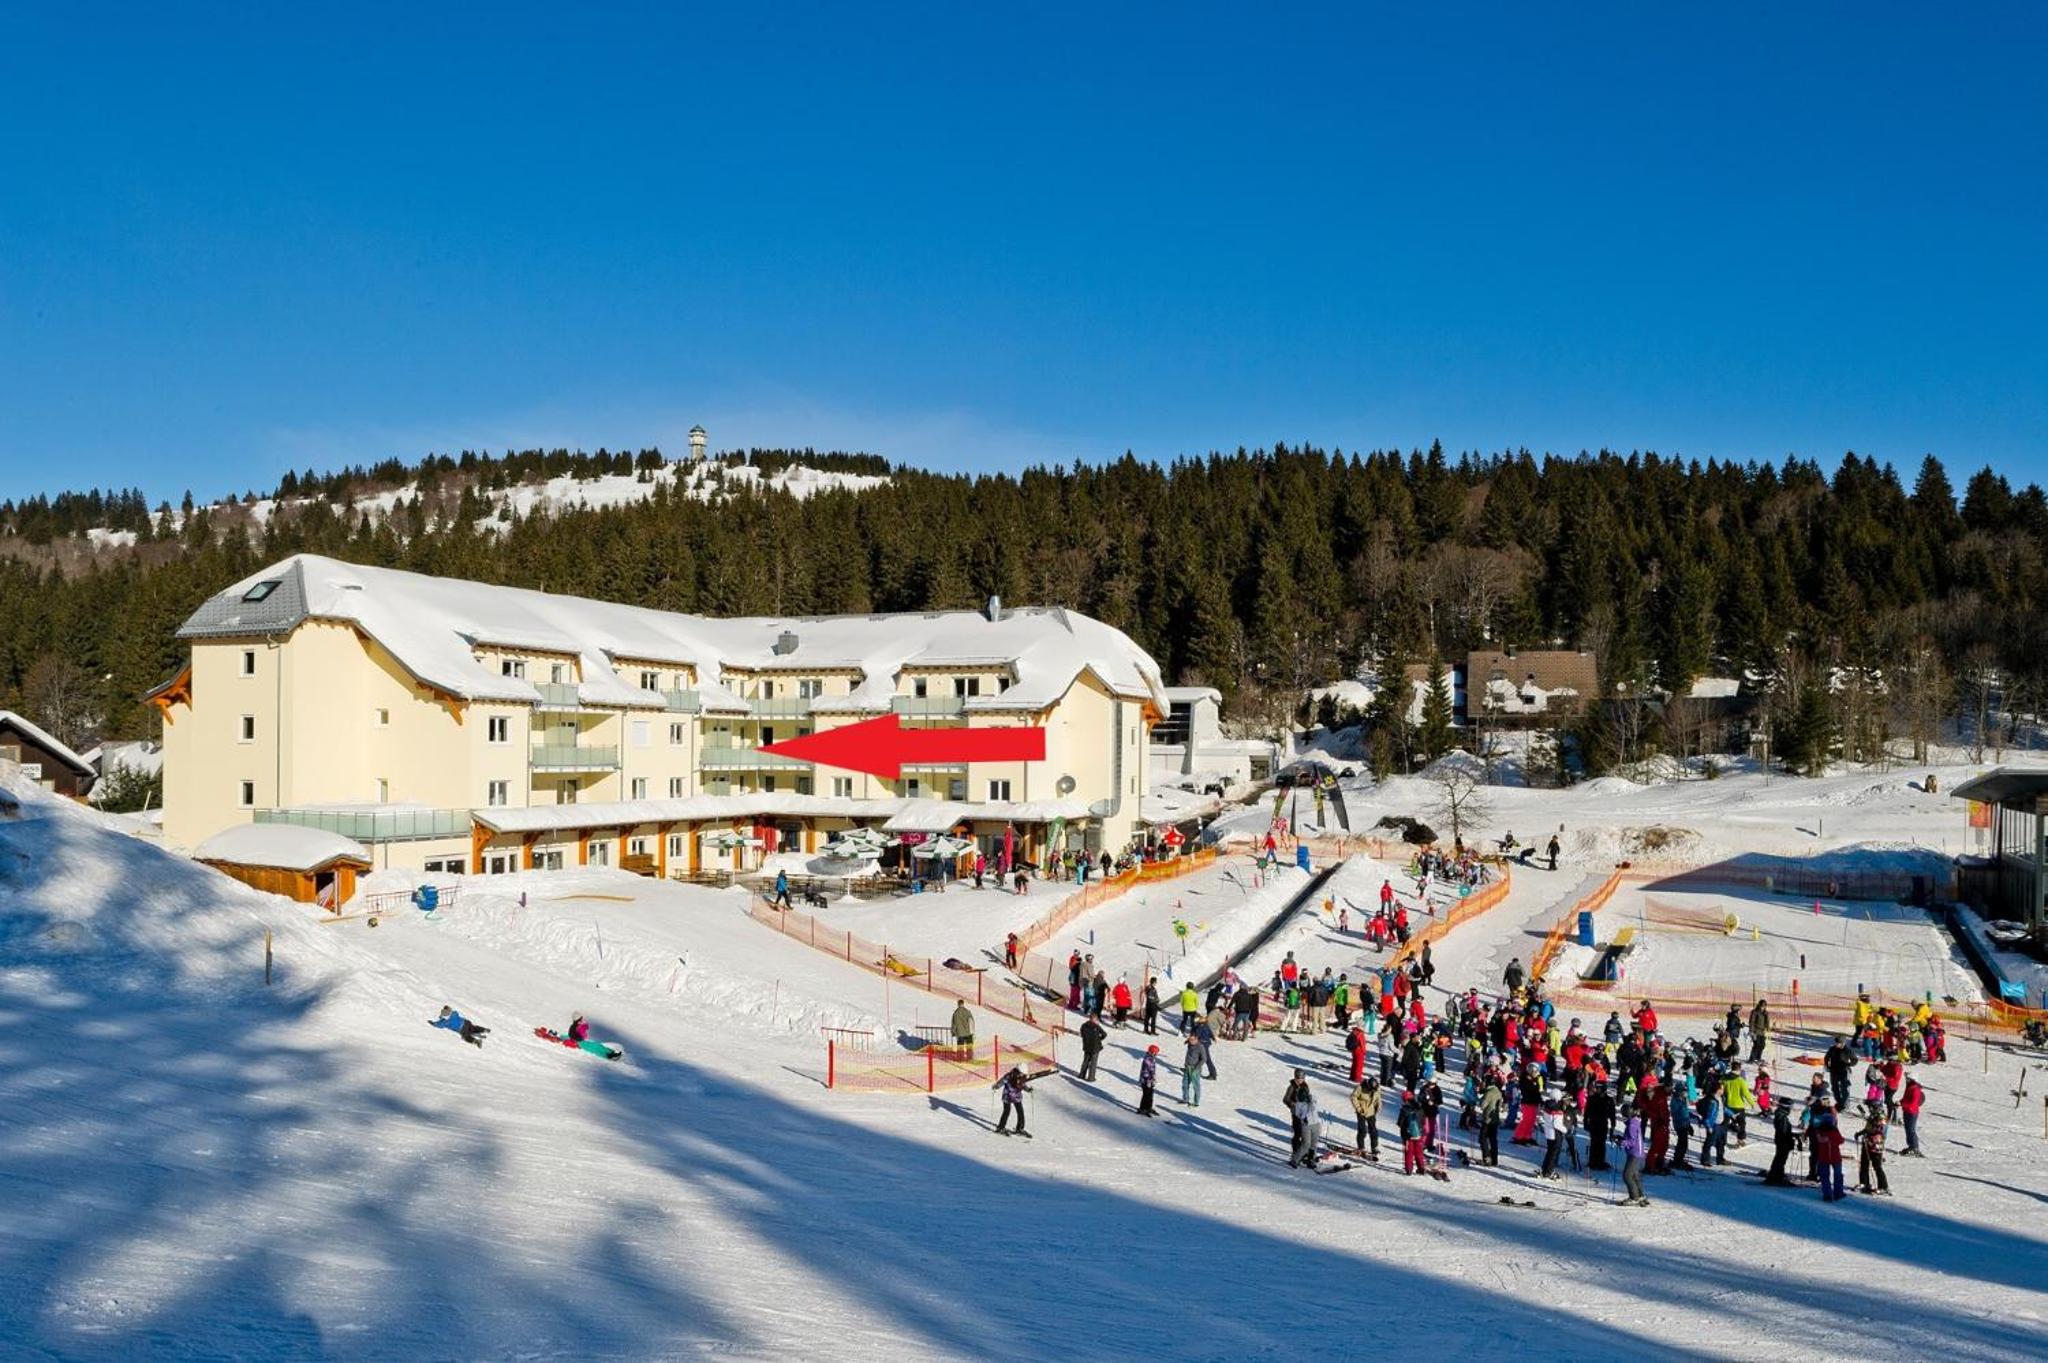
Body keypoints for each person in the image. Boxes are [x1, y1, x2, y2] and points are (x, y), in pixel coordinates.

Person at [1812, 1096, 1846, 1202]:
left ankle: (1827, 1194)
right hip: (1835, 1157)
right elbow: (1840, 1140)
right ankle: (1838, 1192)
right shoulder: (1834, 1132)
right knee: (1838, 1175)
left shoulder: (1820, 1132)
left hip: (1823, 1157)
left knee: (1824, 1176)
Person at [1763, 1090, 1799, 1185]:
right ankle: (1775, 1176)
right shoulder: (1782, 1117)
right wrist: (1791, 1138)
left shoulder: (1781, 1115)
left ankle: (1777, 1175)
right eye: (1790, 1107)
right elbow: (1783, 1131)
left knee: (1780, 1158)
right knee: (1780, 1158)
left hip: (1781, 1140)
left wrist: (1794, 1135)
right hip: (1783, 1141)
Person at [1857, 1102, 1891, 1195]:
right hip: (1867, 1142)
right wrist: (1860, 1133)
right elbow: (1868, 1128)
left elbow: (1880, 1130)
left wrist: (1870, 1131)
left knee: (1877, 1166)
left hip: (1876, 1145)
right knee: (1864, 1163)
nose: (1870, 1109)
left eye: (1871, 1107)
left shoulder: (1882, 1117)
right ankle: (1864, 1183)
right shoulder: (1873, 1116)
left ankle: (1884, 1186)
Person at [1620, 1104, 1649, 1206]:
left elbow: (1632, 1141)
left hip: (1635, 1154)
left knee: (1627, 1175)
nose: (1622, 1117)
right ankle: (1640, 1195)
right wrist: (1620, 1139)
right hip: (1639, 1153)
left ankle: (1634, 1197)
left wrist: (1622, 1143)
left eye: (1624, 1114)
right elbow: (1631, 1138)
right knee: (1635, 1175)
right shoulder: (1634, 1122)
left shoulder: (1632, 1125)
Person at [993, 1066, 1033, 1136]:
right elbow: (1001, 1082)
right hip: (1007, 1097)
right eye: (1021, 1073)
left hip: (1017, 1097)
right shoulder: (1009, 1076)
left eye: (1023, 1074)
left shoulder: (1022, 1077)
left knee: (1020, 1112)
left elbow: (1023, 1084)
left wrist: (1028, 1089)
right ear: (1017, 1071)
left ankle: (1019, 1129)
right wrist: (996, 1086)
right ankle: (1000, 1127)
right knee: (1006, 1111)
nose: (1022, 1075)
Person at [1351, 1075, 1382, 1159]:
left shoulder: (1377, 1089)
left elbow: (1378, 1098)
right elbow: (1353, 1097)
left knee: (1373, 1130)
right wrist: (1358, 1108)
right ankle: (1361, 1147)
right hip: (1361, 1112)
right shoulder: (1360, 1087)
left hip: (1371, 1112)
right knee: (1362, 1130)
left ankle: (1374, 1147)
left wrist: (1378, 1106)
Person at [1400, 1091, 1427, 1175]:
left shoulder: (1404, 1109)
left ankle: (1409, 1169)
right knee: (1419, 1152)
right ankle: (1421, 1168)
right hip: (1419, 1134)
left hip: (1408, 1136)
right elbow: (1423, 1120)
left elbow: (1400, 1122)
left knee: (1409, 1152)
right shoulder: (1420, 1108)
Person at [1900, 1075, 1926, 1156]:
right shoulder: (1909, 1087)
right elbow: (1905, 1098)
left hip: (1912, 1112)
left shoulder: (1915, 1089)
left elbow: (1912, 1103)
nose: (1906, 1079)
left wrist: (1902, 1104)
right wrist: (1900, 1102)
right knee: (1908, 1129)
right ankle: (1911, 1146)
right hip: (1907, 1110)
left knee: (1911, 1130)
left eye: (1908, 1078)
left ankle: (1915, 1147)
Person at [1078, 1015, 1106, 1081]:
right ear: (1095, 1020)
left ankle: (1082, 1075)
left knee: (1085, 1061)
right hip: (1095, 1047)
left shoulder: (1084, 1025)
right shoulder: (1097, 1027)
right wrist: (1099, 1039)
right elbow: (1104, 1034)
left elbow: (1082, 1034)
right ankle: (1091, 1077)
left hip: (1087, 1046)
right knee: (1093, 1063)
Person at [1181, 1036, 1204, 1107]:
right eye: (1189, 1039)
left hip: (1195, 1069)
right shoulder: (1189, 1045)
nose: (1190, 1041)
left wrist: (1197, 1068)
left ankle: (1196, 1102)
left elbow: (1203, 1059)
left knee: (1195, 1086)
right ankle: (1186, 1099)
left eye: (1192, 1040)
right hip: (1187, 1067)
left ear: (1196, 1039)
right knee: (1185, 1084)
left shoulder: (1200, 1047)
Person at [1137, 1045, 1159, 1116]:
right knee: (1146, 1095)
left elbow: (1152, 1070)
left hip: (1150, 1080)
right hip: (1146, 1081)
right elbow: (1146, 1072)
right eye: (1155, 1053)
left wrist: (1153, 1078)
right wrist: (1148, 1080)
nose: (1156, 1054)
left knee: (1150, 1094)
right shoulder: (1147, 1059)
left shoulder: (1151, 1058)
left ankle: (1149, 1107)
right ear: (1151, 1052)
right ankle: (1143, 1108)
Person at [1749, 997, 1772, 1063]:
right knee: (1756, 1045)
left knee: (1762, 1045)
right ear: (1759, 1005)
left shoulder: (1765, 1013)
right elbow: (1751, 1022)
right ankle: (1752, 1058)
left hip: (1762, 1031)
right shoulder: (1755, 1012)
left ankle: (1758, 1057)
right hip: (1756, 1031)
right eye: (1762, 1006)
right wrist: (1751, 1031)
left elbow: (1767, 1022)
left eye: (1764, 1006)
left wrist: (1768, 1029)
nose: (1763, 1007)